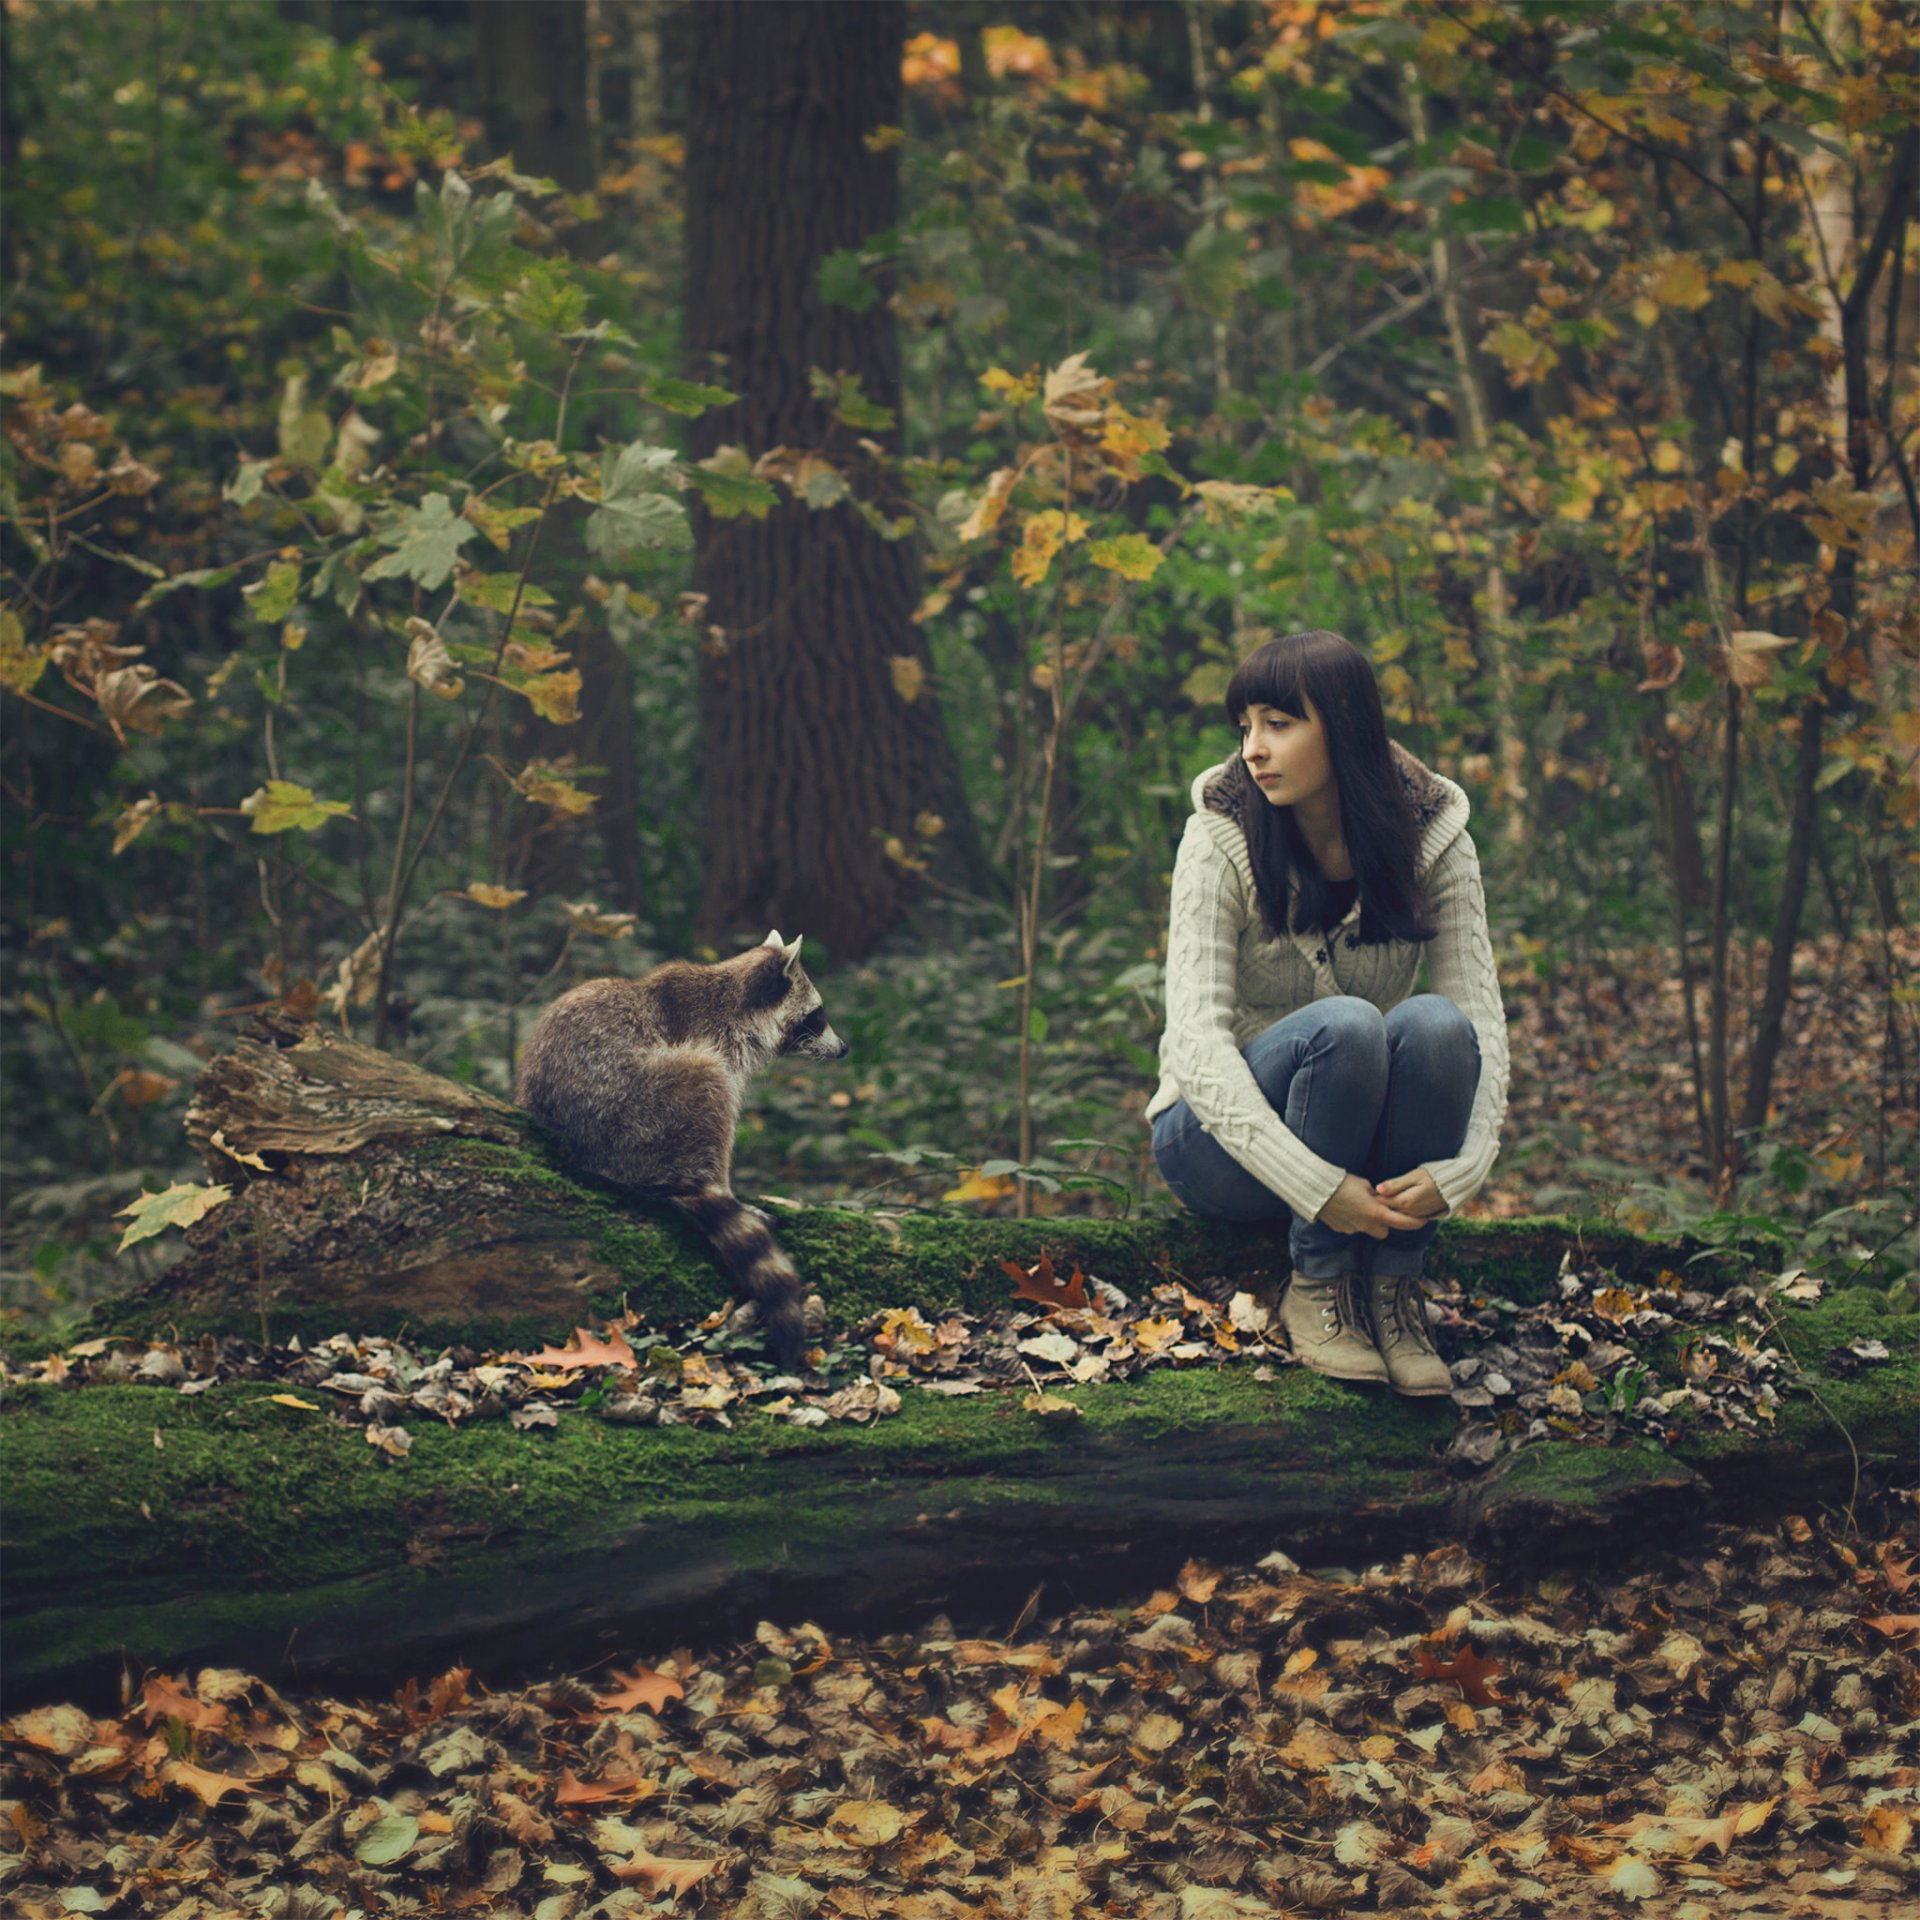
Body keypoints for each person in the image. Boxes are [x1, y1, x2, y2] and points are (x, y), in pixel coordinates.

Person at [1146, 630, 1508, 1393]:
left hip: (1354, 1140)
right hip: (1211, 1144)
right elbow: (1196, 1045)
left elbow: (1480, 1021)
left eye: (1278, 724)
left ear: (1342, 726)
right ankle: (1318, 1283)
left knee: (1439, 1027)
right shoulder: (1218, 836)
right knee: (1346, 1024)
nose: (1253, 749)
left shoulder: (1434, 836)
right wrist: (1314, 1186)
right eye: (1245, 727)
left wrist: (1466, 1167)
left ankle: (1394, 1290)